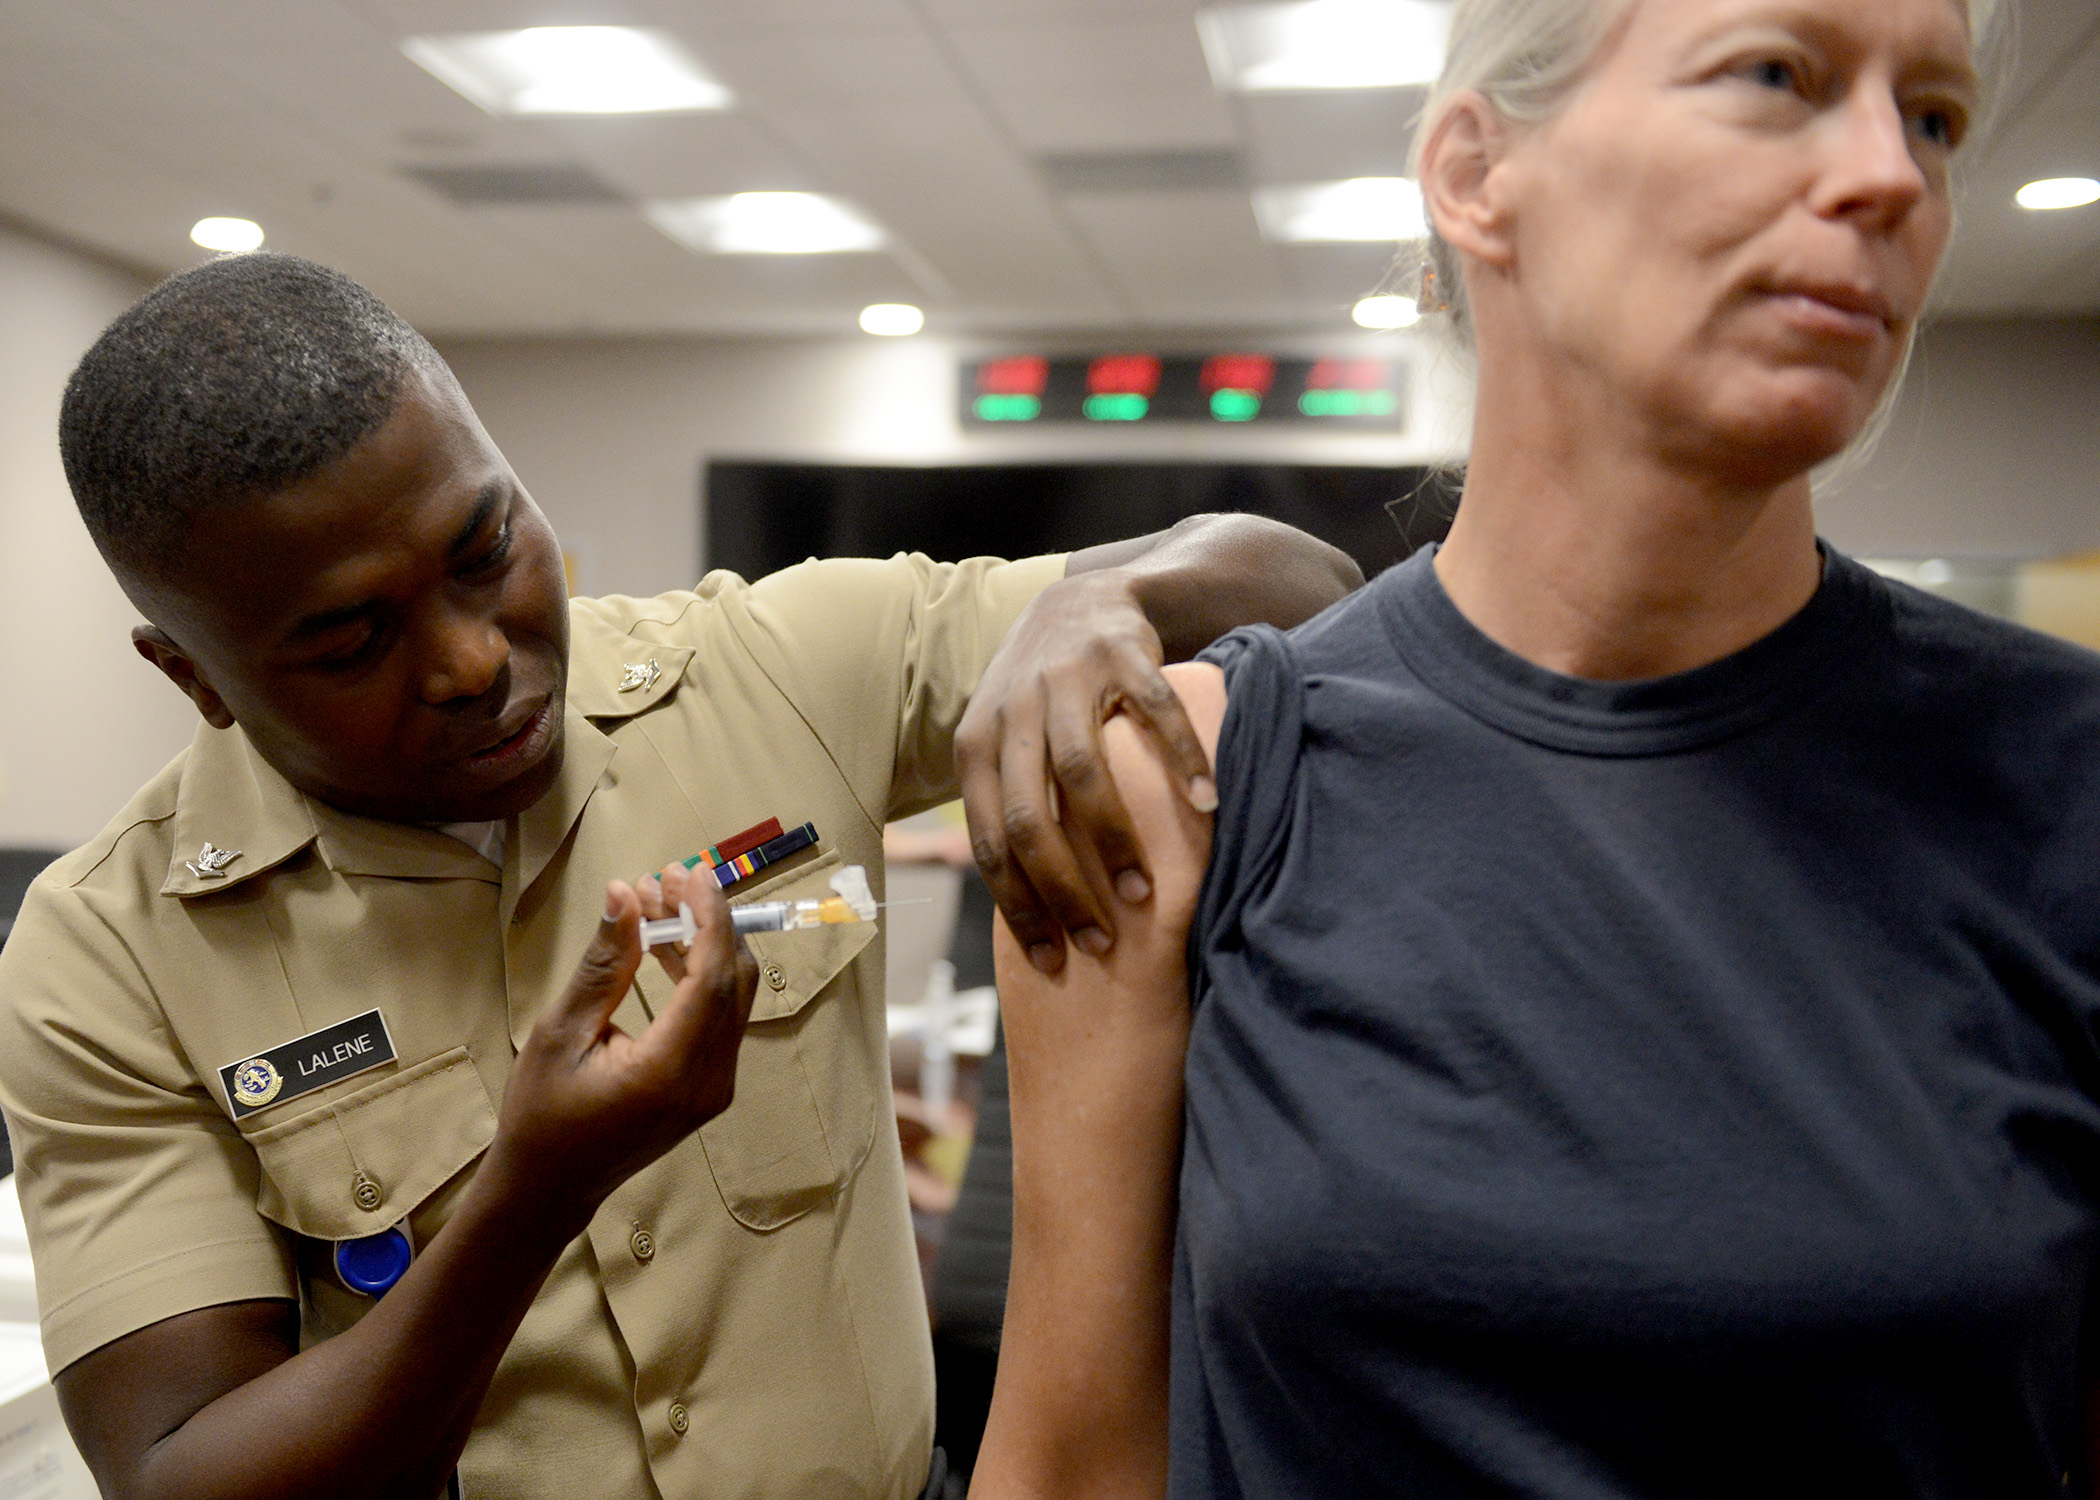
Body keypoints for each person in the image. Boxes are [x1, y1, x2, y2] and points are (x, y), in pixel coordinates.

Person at [0, 253, 1362, 1500]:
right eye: (353, 640)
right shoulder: (107, 953)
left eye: (487, 550)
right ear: (194, 677)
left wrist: (1094, 604)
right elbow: (185, 1473)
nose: (474, 659)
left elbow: (1300, 584)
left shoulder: (776, 667)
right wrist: (530, 1196)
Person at [971, 0, 2100, 1495]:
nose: (1890, 175)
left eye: (1937, 117)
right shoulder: (1194, 784)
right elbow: (1070, 1459)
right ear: (1476, 171)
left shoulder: (2059, 782)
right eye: (1779, 76)